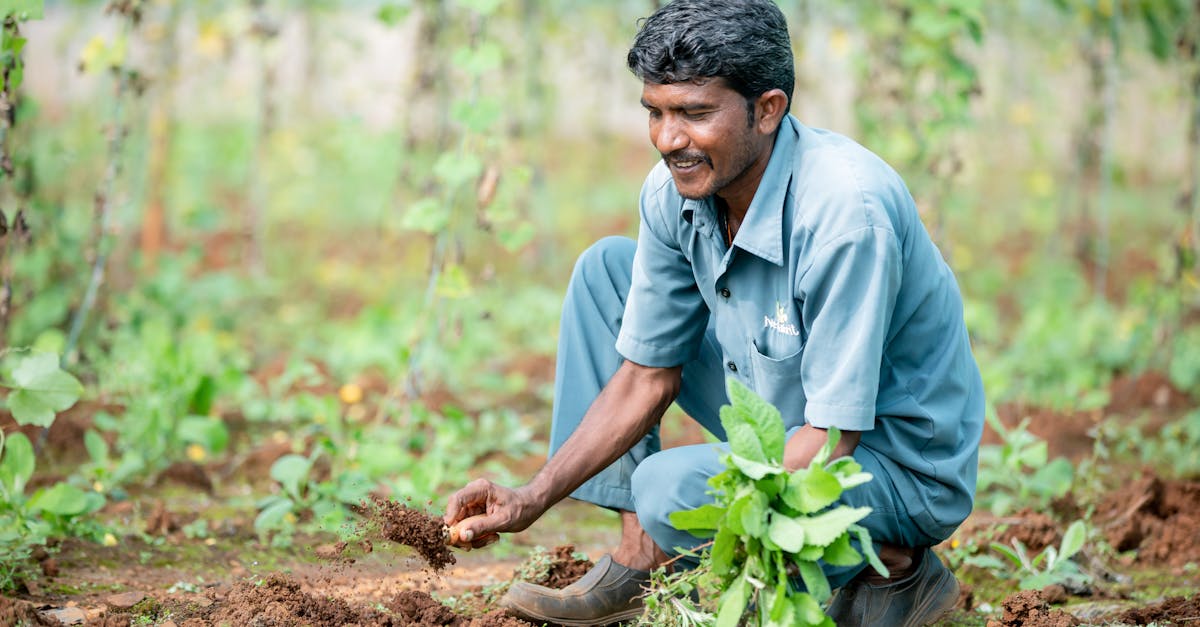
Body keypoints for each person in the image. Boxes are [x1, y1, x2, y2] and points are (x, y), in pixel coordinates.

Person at [443, 1, 984, 625]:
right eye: (656, 112)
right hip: (786, 416)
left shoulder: (844, 215)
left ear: (767, 109)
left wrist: (747, 572)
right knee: (606, 274)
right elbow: (647, 374)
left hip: (890, 463)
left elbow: (836, 437)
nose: (670, 140)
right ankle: (639, 554)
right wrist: (528, 499)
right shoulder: (677, 190)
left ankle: (892, 559)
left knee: (668, 490)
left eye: (695, 114)